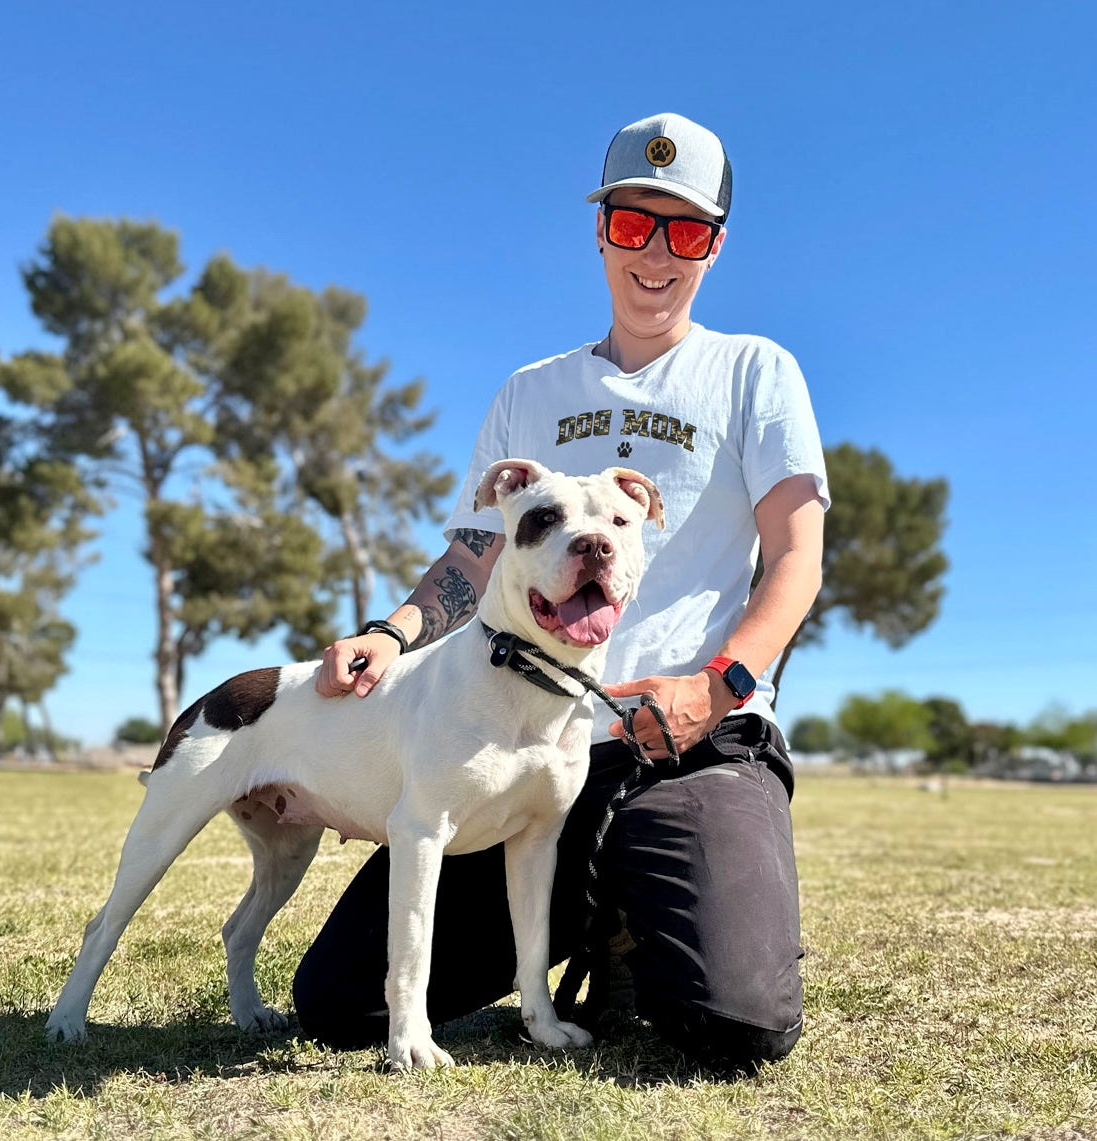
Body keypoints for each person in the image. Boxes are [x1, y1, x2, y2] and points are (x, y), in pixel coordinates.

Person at [293, 112, 829, 1074]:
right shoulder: (527, 392)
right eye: (633, 225)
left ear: (713, 245)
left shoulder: (755, 371)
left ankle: (635, 916)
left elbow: (798, 560)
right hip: (518, 748)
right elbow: (468, 561)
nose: (656, 255)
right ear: (599, 229)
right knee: (338, 1005)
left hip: (688, 742)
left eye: (686, 231)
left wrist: (717, 685)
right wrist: (393, 629)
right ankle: (578, 922)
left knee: (741, 1022)